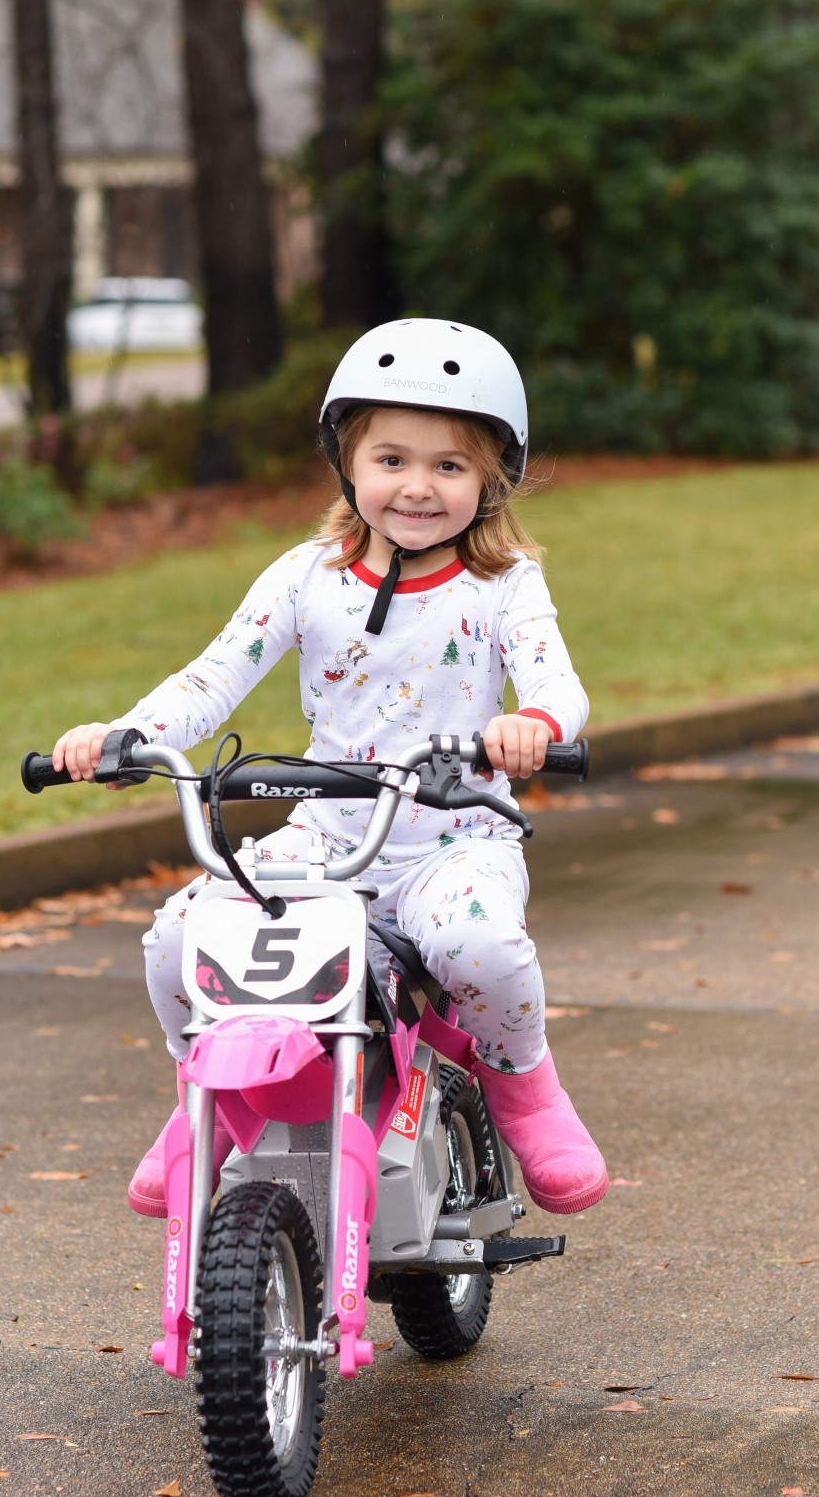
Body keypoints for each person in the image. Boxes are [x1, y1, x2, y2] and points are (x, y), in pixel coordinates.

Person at [50, 318, 608, 1218]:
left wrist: (531, 724)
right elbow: (215, 674)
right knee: (179, 940)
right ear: (345, 460)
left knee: (482, 949)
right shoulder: (307, 575)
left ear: (492, 480)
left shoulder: (503, 584)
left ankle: (527, 1091)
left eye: (449, 466)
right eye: (391, 459)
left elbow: (555, 679)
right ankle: (212, 1099)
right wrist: (126, 734)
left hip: (451, 839)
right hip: (326, 837)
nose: (417, 487)